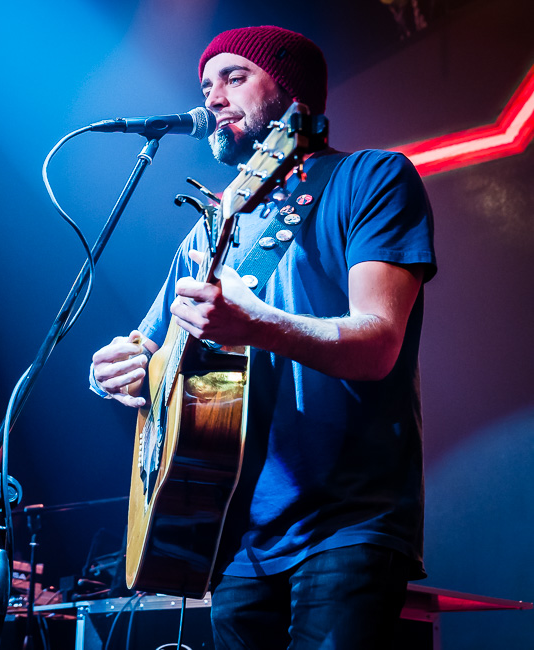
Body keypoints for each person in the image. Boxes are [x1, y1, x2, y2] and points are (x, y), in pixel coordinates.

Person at [90, 26, 436, 649]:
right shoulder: (211, 227)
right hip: (231, 529)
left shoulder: (372, 178)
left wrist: (254, 325)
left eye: (235, 76)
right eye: (205, 84)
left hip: (347, 518)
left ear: (293, 94)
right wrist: (119, 369)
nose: (213, 96)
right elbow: (150, 348)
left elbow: (379, 342)